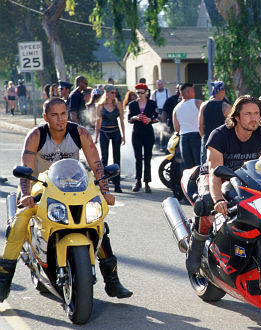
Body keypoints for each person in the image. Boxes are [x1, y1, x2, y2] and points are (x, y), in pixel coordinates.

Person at [0, 98, 132, 302]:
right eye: (54, 115)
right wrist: (25, 195)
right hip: (38, 186)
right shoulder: (36, 135)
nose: (60, 119)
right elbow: (25, 169)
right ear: (46, 117)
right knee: (20, 222)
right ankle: (4, 281)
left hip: (72, 187)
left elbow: (96, 165)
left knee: (97, 223)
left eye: (63, 114)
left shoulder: (79, 133)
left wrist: (104, 192)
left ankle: (112, 280)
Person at [185, 95, 261, 274]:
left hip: (245, 177)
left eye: (256, 113)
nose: (253, 118)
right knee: (207, 204)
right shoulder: (219, 135)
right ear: (236, 117)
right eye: (248, 114)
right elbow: (214, 171)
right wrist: (218, 199)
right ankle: (196, 245)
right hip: (216, 176)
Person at [128, 83, 158, 193]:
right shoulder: (132, 104)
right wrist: (135, 117)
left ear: (146, 92)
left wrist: (150, 119)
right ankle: (138, 181)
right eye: (137, 92)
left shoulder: (152, 103)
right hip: (137, 133)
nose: (139, 94)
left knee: (148, 157)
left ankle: (147, 183)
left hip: (148, 133)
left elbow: (157, 117)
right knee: (138, 157)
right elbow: (129, 119)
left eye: (141, 92)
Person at [95, 85, 125, 193]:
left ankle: (117, 185)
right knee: (104, 158)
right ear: (106, 93)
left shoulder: (118, 104)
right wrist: (96, 136)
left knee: (117, 158)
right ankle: (103, 184)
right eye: (112, 92)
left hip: (115, 132)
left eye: (115, 92)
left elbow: (121, 120)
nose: (114, 94)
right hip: (104, 132)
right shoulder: (100, 106)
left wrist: (124, 135)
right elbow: (97, 122)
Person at [198, 81, 231, 164]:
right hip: (222, 139)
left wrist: (204, 138)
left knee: (205, 166)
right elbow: (231, 125)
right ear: (222, 91)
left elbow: (200, 125)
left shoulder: (204, 105)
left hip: (207, 138)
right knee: (221, 166)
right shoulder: (226, 107)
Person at [173, 83, 203, 170]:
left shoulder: (176, 108)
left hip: (183, 138)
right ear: (190, 91)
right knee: (199, 164)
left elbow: (176, 128)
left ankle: (189, 183)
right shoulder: (198, 103)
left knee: (187, 166)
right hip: (197, 135)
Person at [152, 80, 172, 152]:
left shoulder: (167, 91)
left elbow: (170, 101)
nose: (160, 86)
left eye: (161, 84)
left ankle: (165, 145)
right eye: (158, 84)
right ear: (157, 85)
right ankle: (158, 145)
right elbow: (152, 103)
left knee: (166, 128)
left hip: (166, 110)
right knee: (158, 129)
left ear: (163, 84)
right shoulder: (155, 93)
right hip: (158, 111)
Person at [160, 84, 181, 150]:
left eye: (180, 88)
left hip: (185, 126)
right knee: (172, 143)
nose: (178, 90)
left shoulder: (189, 100)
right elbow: (164, 112)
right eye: (177, 88)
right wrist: (165, 124)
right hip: (172, 124)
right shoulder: (170, 100)